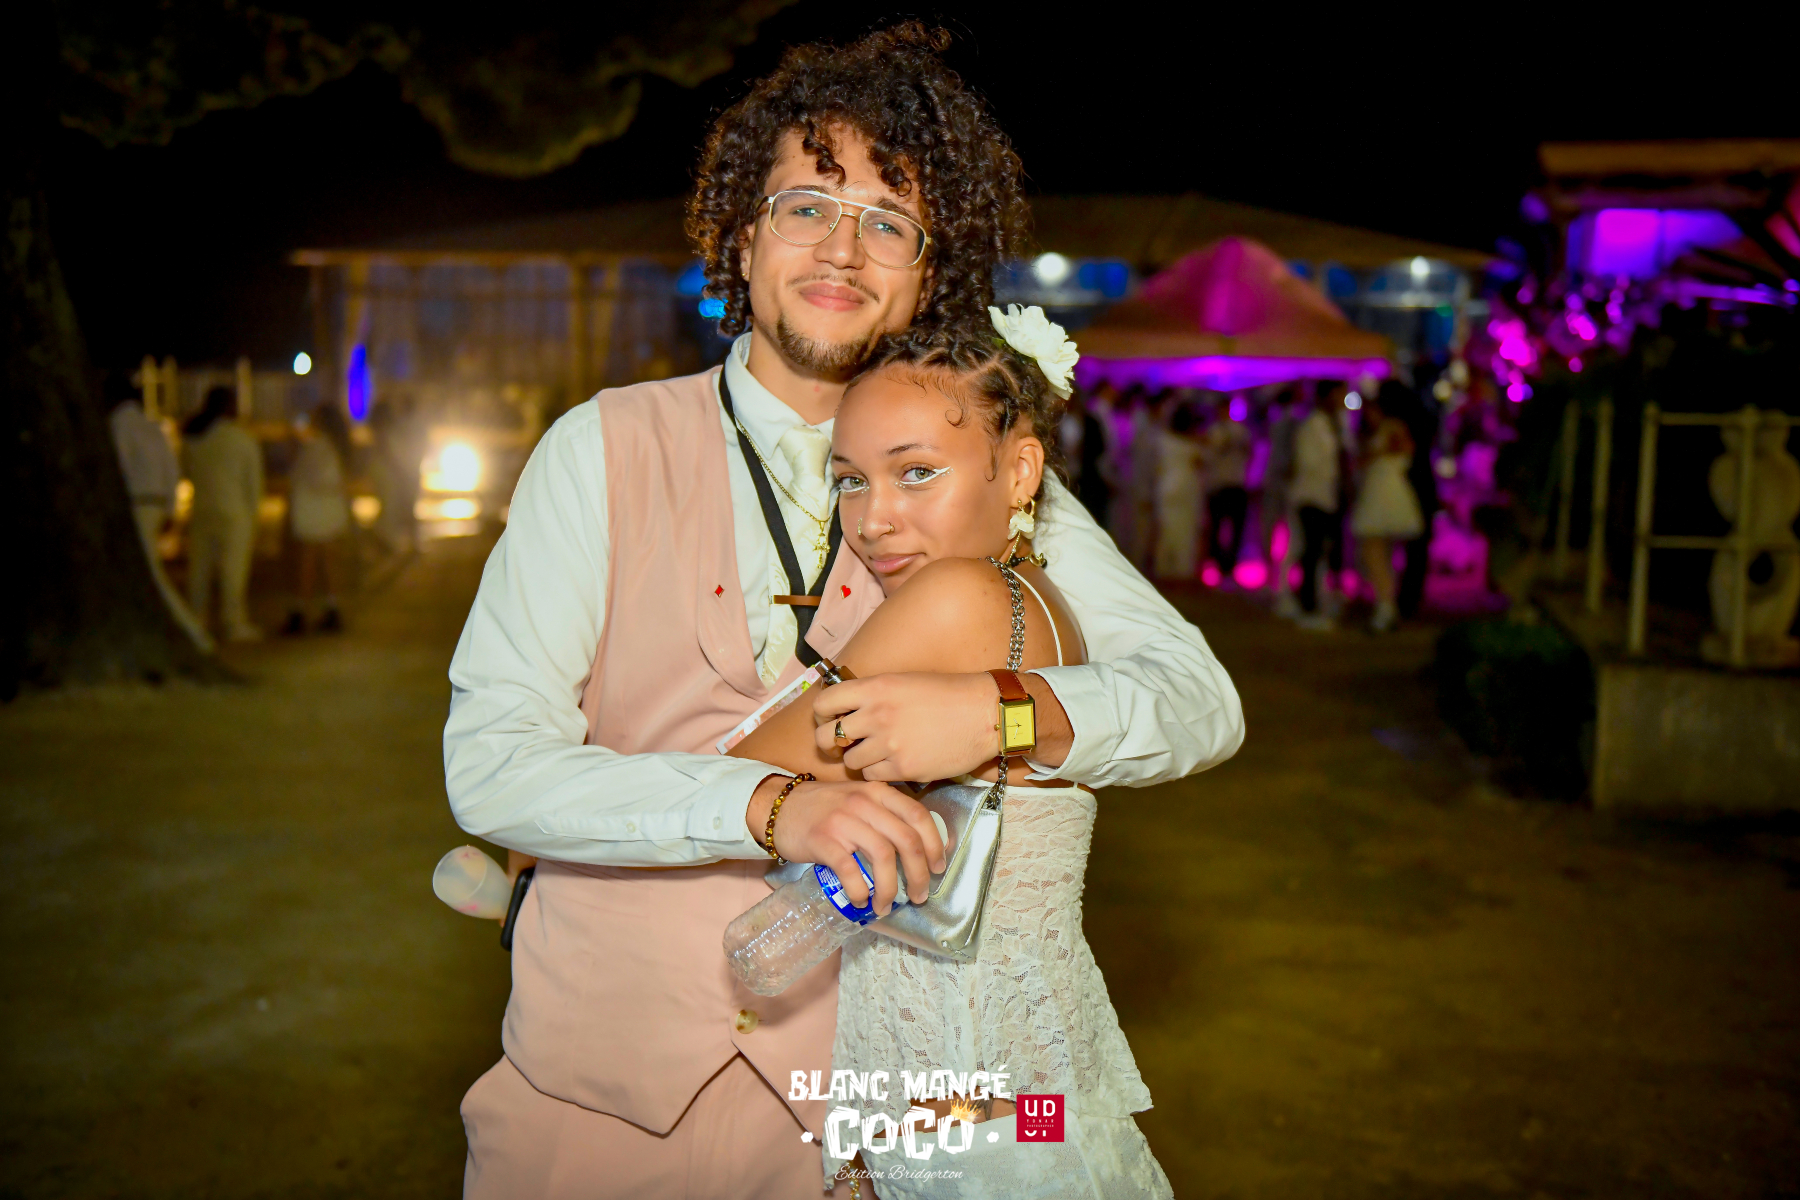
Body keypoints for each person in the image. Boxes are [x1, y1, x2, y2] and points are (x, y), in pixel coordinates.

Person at [445, 24, 1242, 1199]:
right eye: (807, 206)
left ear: (930, 267)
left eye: (889, 221)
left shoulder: (987, 472)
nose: (843, 248)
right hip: (591, 1093)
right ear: (741, 233)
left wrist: (1003, 715)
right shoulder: (598, 448)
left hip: (846, 1120)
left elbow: (1200, 702)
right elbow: (494, 768)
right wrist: (770, 805)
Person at [730, 318, 1171, 1197]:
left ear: (1021, 471)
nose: (873, 519)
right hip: (1022, 1104)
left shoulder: (957, 596)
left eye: (916, 472)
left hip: (969, 1122)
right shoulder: (1040, 604)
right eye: (850, 480)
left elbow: (738, 775)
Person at [107, 372, 212, 650]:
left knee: (152, 574)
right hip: (154, 504)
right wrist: (169, 509)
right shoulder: (152, 426)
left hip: (137, 503)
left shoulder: (118, 424)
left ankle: (192, 631)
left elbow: (119, 466)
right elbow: (171, 469)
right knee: (150, 570)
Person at [182, 385, 263, 642]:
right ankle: (233, 622)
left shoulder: (195, 438)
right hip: (234, 511)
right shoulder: (242, 439)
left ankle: (196, 620)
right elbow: (254, 484)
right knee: (233, 570)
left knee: (200, 569)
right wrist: (253, 516)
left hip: (202, 508)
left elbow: (187, 471)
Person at [1350, 386, 1424, 632]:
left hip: (1385, 494)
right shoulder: (1373, 432)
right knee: (1379, 556)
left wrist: (1376, 454)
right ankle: (1385, 606)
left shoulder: (1392, 428)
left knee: (1376, 553)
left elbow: (1406, 452)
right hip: (1377, 492)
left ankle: (1385, 607)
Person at [285, 404, 353, 634]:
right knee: (328, 563)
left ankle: (300, 611)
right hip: (329, 512)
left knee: (308, 562)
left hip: (313, 513)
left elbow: (309, 479)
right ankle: (331, 609)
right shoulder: (335, 447)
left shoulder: (317, 447)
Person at [1290, 384, 1343, 631]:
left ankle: (1314, 602)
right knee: (1311, 552)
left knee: (1318, 551)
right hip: (1312, 496)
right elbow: (1308, 462)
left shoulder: (1331, 424)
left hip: (1324, 497)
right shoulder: (1312, 426)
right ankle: (1307, 606)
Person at [1152, 402, 1205, 580]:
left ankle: (1163, 569)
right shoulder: (1193, 444)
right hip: (1187, 489)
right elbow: (1201, 464)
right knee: (1185, 531)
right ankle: (1182, 570)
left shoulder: (1163, 440)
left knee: (1166, 530)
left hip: (1166, 488)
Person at [1202, 397, 1251, 574]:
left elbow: (1248, 453)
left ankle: (1230, 565)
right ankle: (1219, 563)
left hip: (1236, 484)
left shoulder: (1240, 431)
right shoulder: (1212, 431)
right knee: (1216, 528)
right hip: (1218, 485)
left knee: (1237, 530)